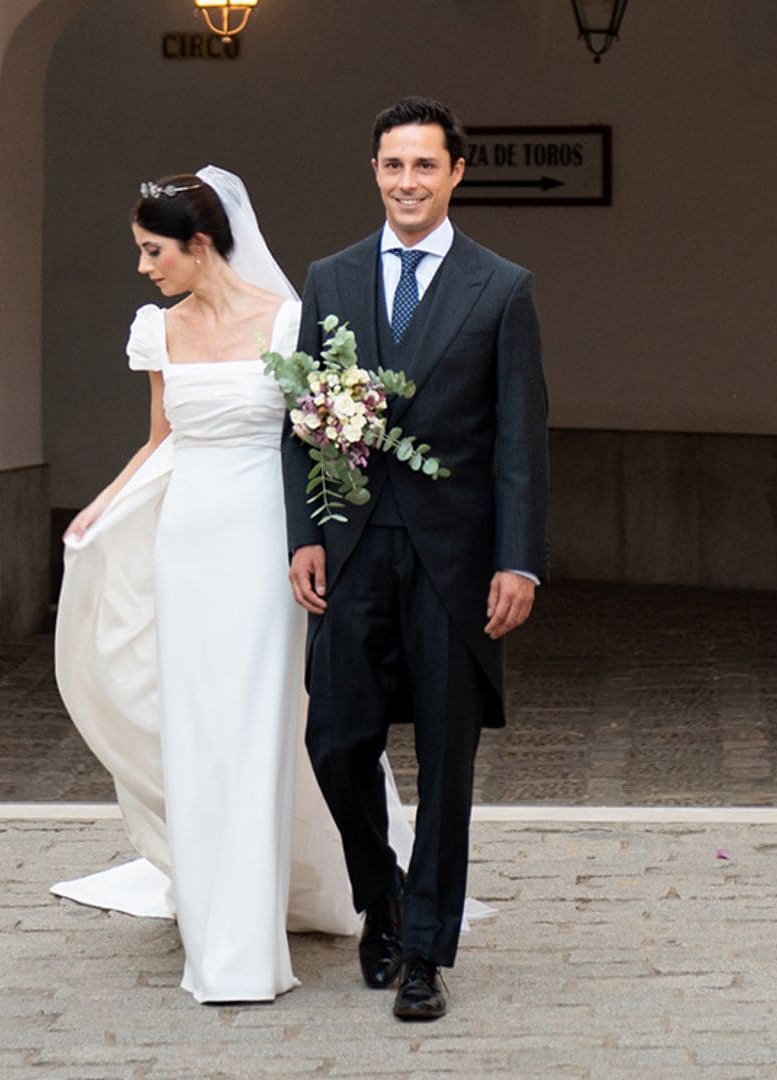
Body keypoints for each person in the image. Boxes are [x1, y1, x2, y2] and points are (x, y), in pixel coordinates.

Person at [50, 166, 418, 1004]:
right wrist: (97, 513)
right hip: (189, 538)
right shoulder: (159, 330)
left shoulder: (289, 320)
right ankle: (217, 923)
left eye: (154, 250)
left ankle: (263, 933)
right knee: (198, 723)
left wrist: (320, 537)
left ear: (201, 243)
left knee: (265, 722)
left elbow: (320, 441)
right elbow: (158, 440)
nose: (145, 267)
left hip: (266, 539)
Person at [284, 96, 549, 1022]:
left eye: (425, 167)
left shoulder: (501, 287)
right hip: (353, 550)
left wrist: (519, 560)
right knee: (334, 740)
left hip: (456, 561)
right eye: (394, 166)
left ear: (455, 174)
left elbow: (520, 439)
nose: (408, 182)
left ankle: (425, 953)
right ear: (375, 172)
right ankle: (382, 894)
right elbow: (301, 421)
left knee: (446, 757)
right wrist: (304, 533)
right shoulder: (331, 277)